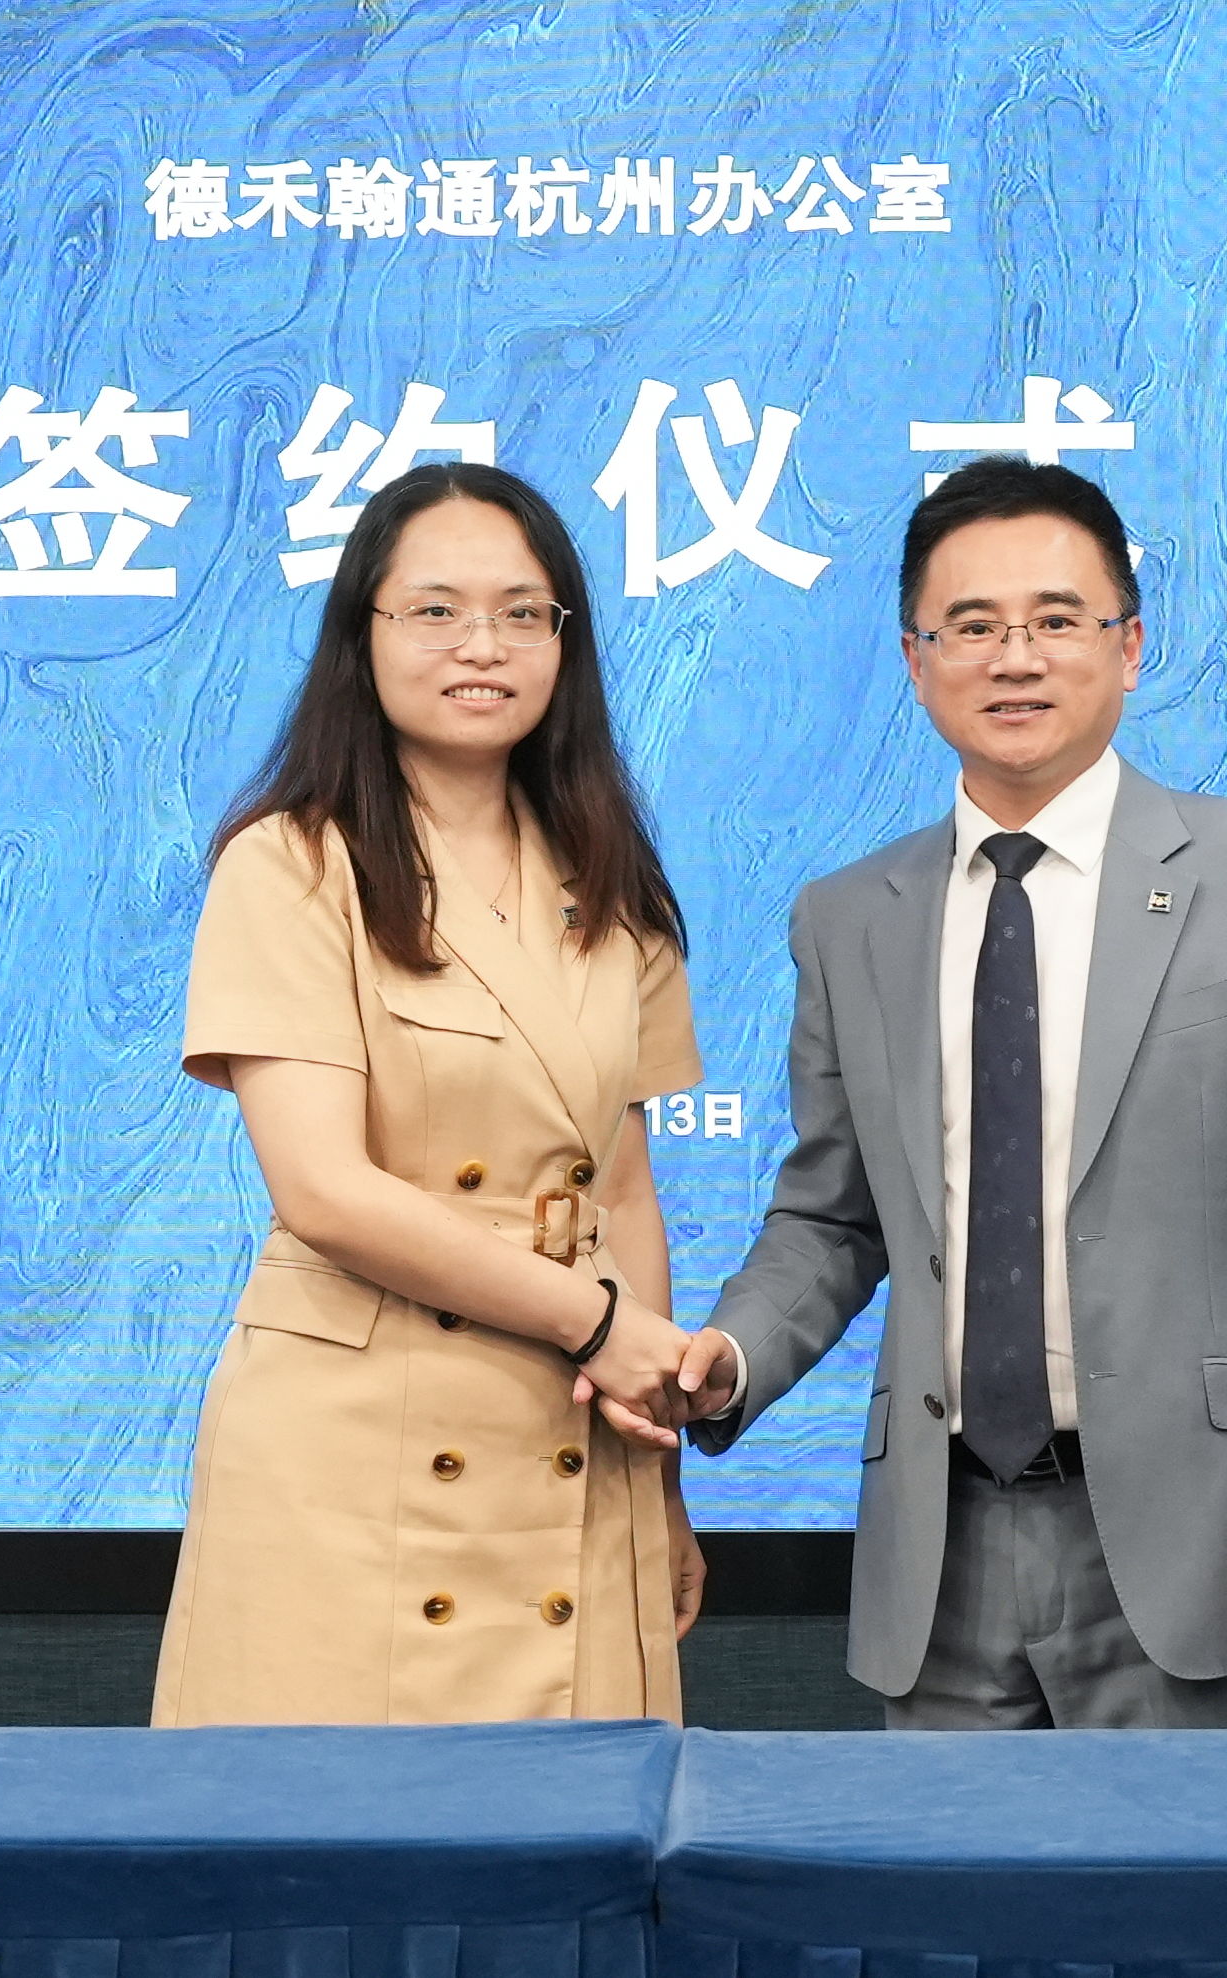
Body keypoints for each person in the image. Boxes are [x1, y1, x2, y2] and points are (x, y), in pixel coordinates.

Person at [674, 456, 1227, 1728]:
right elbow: (834, 1216)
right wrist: (730, 1352)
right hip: (939, 1549)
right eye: (970, 626)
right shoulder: (849, 917)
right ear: (914, 662)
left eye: (1055, 620)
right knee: (940, 1872)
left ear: (1128, 646)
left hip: (1206, 1543)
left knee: (1191, 1871)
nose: (1013, 657)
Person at [158, 461, 709, 1725]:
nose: (483, 644)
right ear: (361, 634)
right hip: (350, 1447)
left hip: (573, 1440)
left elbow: (623, 1188)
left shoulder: (609, 879)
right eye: (435, 609)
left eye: (523, 613)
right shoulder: (289, 862)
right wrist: (592, 1323)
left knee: (573, 1824)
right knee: (337, 1822)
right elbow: (323, 1189)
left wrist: (662, 1465)